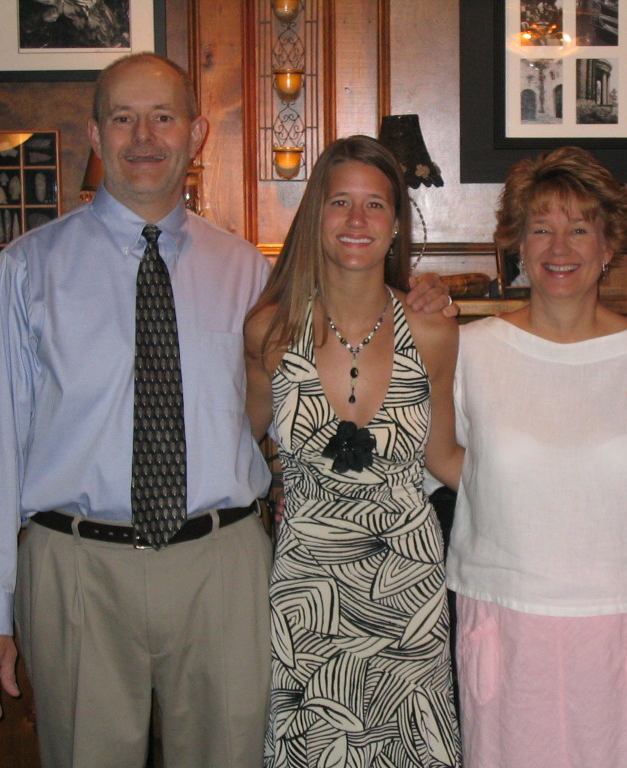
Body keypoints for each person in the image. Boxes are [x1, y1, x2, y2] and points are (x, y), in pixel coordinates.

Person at [0, 54, 454, 768]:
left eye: (163, 117)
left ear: (195, 134)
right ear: (95, 135)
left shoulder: (249, 272)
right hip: (77, 568)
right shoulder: (30, 270)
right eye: (123, 118)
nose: (144, 136)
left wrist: (419, 298)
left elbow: (337, 353)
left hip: (222, 564)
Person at [444, 146, 627, 768]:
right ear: (518, 245)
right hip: (506, 622)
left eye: (579, 229)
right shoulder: (472, 352)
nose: (559, 247)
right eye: (540, 229)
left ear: (609, 245)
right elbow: (432, 462)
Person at [244, 135, 463, 767]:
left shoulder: (432, 331)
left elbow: (444, 458)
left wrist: (551, 480)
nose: (357, 219)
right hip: (308, 587)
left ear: (395, 226)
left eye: (375, 204)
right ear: (316, 214)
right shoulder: (269, 330)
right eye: (340, 201)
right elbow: (237, 443)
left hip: (408, 586)